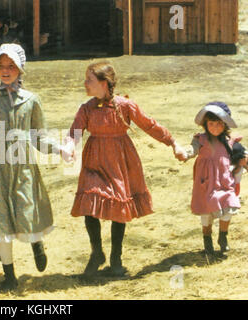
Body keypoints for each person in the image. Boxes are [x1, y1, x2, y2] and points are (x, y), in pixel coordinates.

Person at [0, 43, 72, 291]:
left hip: (24, 166)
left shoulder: (32, 101)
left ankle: (36, 242)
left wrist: (59, 149)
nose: (6, 70)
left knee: (27, 209)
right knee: (0, 221)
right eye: (2, 66)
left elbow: (39, 137)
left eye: (12, 66)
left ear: (20, 69)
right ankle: (9, 275)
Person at [65, 61, 186, 278]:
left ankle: (116, 260)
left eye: (89, 80)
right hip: (94, 160)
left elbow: (149, 125)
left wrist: (172, 142)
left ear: (104, 83)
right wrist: (68, 147)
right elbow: (74, 132)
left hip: (120, 160)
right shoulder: (87, 108)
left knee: (118, 207)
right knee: (88, 202)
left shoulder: (124, 106)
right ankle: (96, 253)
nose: (85, 84)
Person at [182, 102, 242, 256]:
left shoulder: (229, 141)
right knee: (206, 212)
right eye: (211, 124)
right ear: (205, 124)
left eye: (219, 124)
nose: (215, 127)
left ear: (225, 124)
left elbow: (243, 156)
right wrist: (186, 153)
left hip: (224, 181)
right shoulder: (200, 139)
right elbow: (192, 149)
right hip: (205, 182)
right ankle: (207, 239)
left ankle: (223, 236)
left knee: (229, 205)